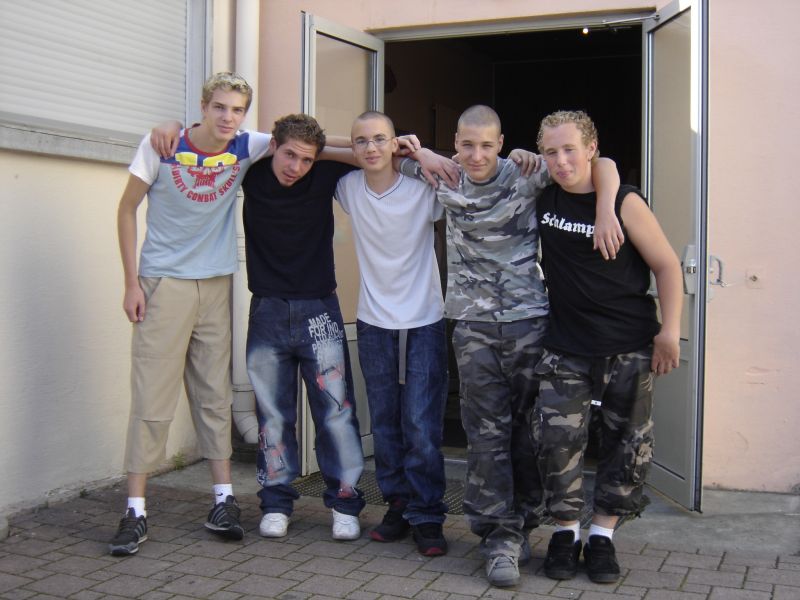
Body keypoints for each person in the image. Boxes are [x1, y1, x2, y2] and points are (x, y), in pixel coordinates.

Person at [400, 105, 623, 587]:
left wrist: (606, 209)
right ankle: (499, 538)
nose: (476, 154)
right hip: (473, 327)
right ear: (455, 142)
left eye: (487, 145)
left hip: (530, 324)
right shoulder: (443, 175)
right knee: (485, 435)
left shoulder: (527, 172)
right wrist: (419, 153)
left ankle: (524, 524)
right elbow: (373, 153)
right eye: (466, 144)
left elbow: (601, 163)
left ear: (501, 143)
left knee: (530, 433)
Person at [111, 72, 270, 556]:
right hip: (163, 284)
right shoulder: (162, 144)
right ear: (203, 106)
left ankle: (223, 501)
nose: (228, 117)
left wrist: (397, 147)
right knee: (152, 397)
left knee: (213, 395)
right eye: (220, 107)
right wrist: (131, 282)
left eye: (237, 109)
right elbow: (126, 209)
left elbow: (310, 144)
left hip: (215, 284)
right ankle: (135, 510)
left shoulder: (246, 145)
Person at [533, 110, 682, 584]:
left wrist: (669, 331)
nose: (561, 160)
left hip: (628, 345)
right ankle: (565, 533)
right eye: (551, 151)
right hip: (566, 346)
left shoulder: (624, 201)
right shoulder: (544, 195)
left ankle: (602, 536)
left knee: (627, 445)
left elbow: (667, 266)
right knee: (556, 442)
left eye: (570, 149)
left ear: (591, 148)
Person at [334, 111, 449, 555]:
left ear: (396, 141)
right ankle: (398, 505)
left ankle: (427, 514)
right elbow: (315, 149)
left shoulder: (423, 187)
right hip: (374, 321)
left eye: (380, 139)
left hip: (424, 319)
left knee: (420, 422)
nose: (371, 148)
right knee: (383, 421)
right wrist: (379, 147)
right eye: (361, 141)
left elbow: (464, 173)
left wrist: (421, 154)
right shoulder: (348, 187)